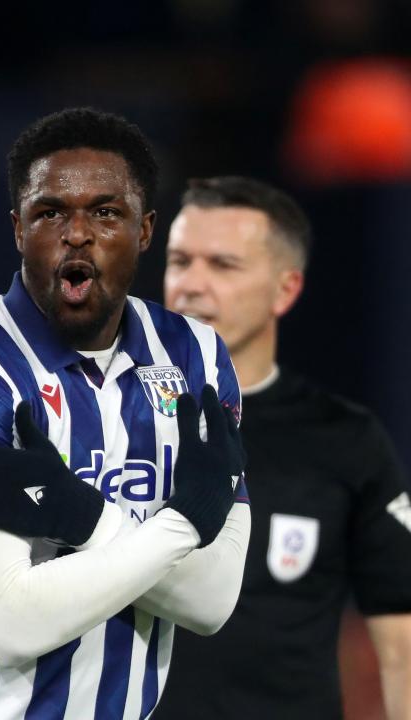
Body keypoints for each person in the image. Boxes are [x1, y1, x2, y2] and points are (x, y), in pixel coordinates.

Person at [0, 107, 251, 718]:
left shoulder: (197, 357)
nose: (76, 234)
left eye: (105, 213)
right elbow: (13, 623)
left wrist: (79, 515)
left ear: (145, 230)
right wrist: (181, 526)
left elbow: (211, 602)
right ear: (18, 230)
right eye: (50, 213)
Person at [154, 176, 411, 720]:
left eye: (223, 265)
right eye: (180, 261)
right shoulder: (98, 411)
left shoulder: (346, 440)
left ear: (286, 289)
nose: (191, 286)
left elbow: (401, 640)